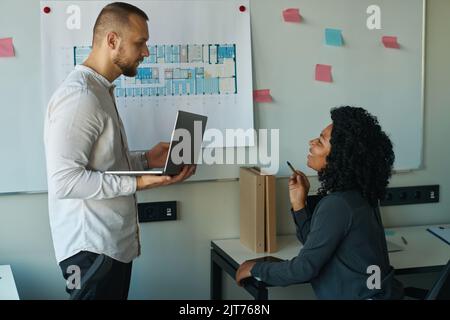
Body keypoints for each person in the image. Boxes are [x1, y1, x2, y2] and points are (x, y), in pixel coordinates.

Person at [44, 2, 195, 299]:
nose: (146, 52)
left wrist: (147, 159)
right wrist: (139, 181)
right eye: (141, 42)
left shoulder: (99, 91)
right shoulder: (80, 98)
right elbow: (65, 181)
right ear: (112, 41)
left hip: (109, 248)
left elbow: (102, 164)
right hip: (91, 252)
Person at [235, 106, 404, 299]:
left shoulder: (338, 205)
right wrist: (299, 204)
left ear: (338, 158)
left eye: (321, 142)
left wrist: (255, 269)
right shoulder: (360, 195)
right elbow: (316, 247)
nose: (312, 143)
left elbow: (303, 269)